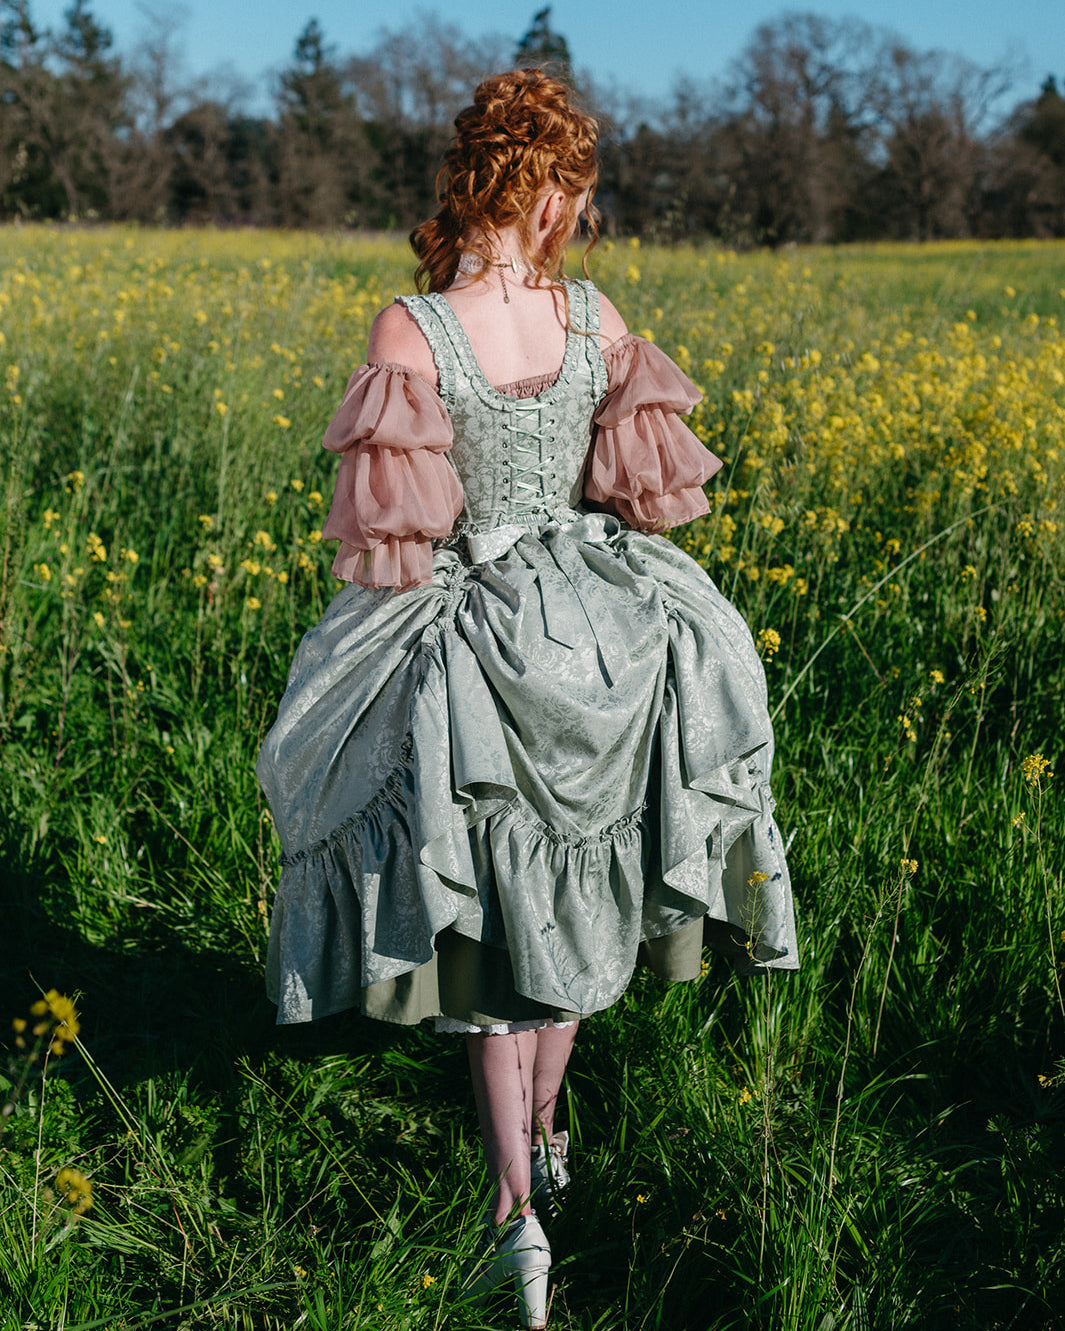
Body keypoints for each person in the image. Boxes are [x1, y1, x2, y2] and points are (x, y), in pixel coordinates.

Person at [257, 68, 797, 1329]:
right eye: (574, 190)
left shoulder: (412, 327)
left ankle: (515, 1218)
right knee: (578, 895)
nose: (578, 216)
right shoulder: (596, 319)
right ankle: (549, 1142)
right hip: (608, 633)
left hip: (481, 629)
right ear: (543, 186)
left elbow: (399, 536)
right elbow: (639, 494)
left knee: (496, 927)